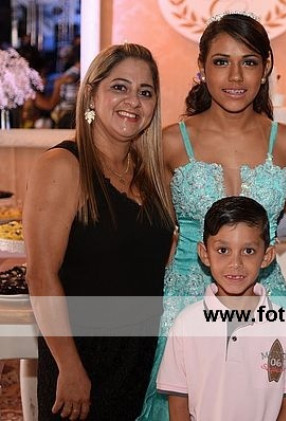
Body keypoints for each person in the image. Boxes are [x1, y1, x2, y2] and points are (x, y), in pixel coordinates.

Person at [138, 12, 286, 421]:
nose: (236, 76)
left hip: (266, 299)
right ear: (202, 67)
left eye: (249, 62)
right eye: (222, 61)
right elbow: (151, 234)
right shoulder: (170, 142)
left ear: (266, 67)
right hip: (186, 299)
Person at [23, 43, 174, 420]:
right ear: (92, 94)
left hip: (142, 358)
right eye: (119, 87)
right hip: (83, 358)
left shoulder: (151, 175)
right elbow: (41, 275)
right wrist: (69, 367)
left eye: (145, 92)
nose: (133, 101)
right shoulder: (63, 165)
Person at [157, 196, 286, 420]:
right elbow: (178, 403)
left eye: (248, 251)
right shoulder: (186, 324)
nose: (235, 264)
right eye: (223, 250)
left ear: (267, 256)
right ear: (204, 253)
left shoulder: (284, 325)